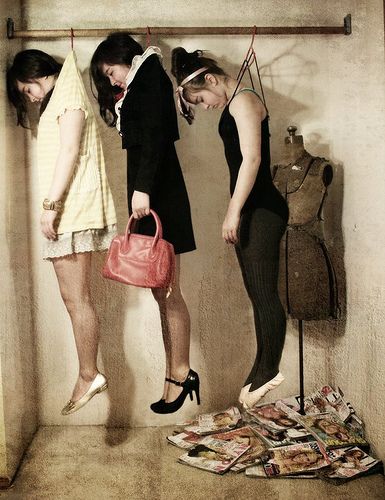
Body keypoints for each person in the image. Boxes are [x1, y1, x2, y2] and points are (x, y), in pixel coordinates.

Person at [171, 47, 289, 409]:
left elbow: (252, 159)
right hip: (253, 209)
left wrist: (233, 212)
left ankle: (269, 371)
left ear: (211, 79)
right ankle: (259, 371)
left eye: (202, 98)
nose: (206, 106)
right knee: (257, 294)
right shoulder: (236, 102)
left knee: (265, 294)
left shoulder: (244, 101)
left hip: (262, 209)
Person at [90, 33, 199, 414]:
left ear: (126, 57)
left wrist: (142, 190)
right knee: (161, 289)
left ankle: (181, 372)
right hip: (153, 193)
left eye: (111, 71)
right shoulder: (142, 80)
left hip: (158, 194)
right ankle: (175, 373)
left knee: (168, 290)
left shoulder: (149, 73)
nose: (112, 80)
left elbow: (154, 137)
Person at [7, 49, 117, 415]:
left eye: (26, 90)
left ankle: (89, 374)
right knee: (76, 300)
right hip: (71, 212)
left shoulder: (68, 95)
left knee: (77, 300)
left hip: (70, 212)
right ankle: (88, 373)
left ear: (34, 74)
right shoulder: (66, 91)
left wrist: (50, 206)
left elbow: (69, 149)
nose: (31, 98)